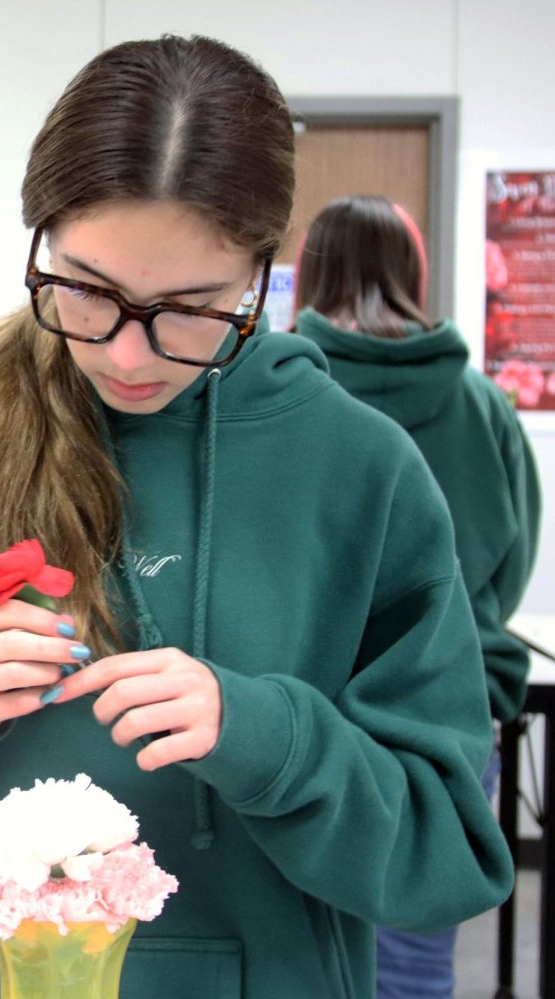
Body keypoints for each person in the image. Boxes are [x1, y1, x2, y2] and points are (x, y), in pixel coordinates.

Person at [0, 36, 512, 998]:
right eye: (87, 289)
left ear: (258, 277)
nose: (128, 353)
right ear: (42, 243)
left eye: (191, 306)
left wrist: (269, 736)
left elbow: (444, 853)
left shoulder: (361, 470)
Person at [293, 194, 541, 999]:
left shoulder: (278, 388)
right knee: (411, 965)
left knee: (289, 954)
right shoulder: (478, 400)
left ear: (311, 268)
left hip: (300, 715)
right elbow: (513, 558)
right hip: (447, 707)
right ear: (410, 269)